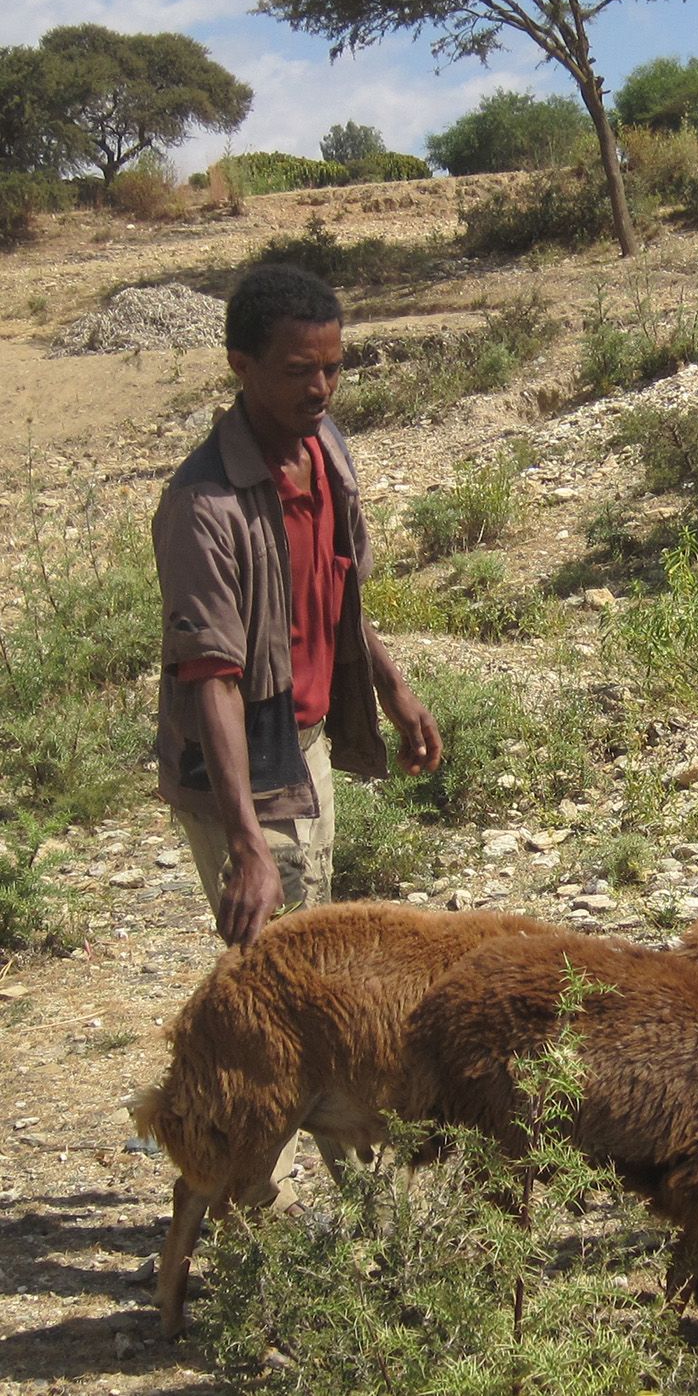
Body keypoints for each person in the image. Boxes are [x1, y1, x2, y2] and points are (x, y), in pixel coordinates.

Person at [152, 263, 442, 950]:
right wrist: (247, 847)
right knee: (282, 976)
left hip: (304, 746)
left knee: (307, 950)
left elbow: (341, 589)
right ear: (241, 365)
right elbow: (212, 680)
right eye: (298, 370)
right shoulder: (204, 506)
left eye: (334, 369)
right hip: (246, 770)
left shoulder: (325, 446)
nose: (321, 388)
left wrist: (394, 689)